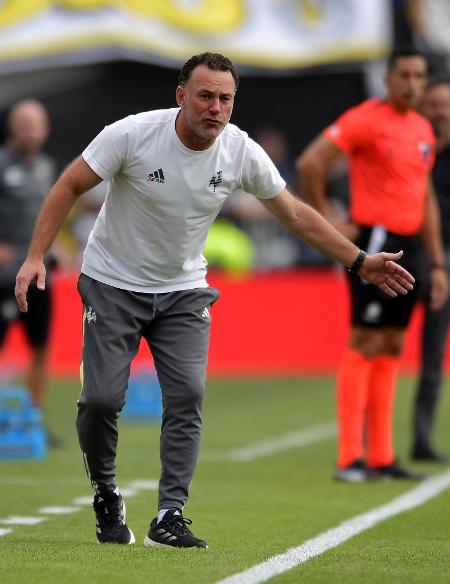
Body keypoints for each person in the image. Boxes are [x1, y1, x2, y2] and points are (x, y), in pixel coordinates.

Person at [15, 52, 414, 548]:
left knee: (187, 396)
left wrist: (358, 261)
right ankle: (105, 492)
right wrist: (36, 256)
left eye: (225, 98)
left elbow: (293, 213)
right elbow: (70, 184)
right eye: (205, 96)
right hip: (112, 283)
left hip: (183, 291)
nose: (216, 108)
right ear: (181, 96)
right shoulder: (134, 134)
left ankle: (169, 515)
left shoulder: (240, 151)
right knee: (100, 400)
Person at [296, 48, 448, 483]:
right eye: (405, 75)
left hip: (412, 244)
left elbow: (425, 198)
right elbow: (311, 162)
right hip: (377, 241)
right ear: (388, 78)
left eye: (419, 76)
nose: (413, 84)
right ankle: (349, 458)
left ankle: (381, 456)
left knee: (393, 345)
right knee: (365, 339)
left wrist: (436, 263)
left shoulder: (421, 128)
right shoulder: (365, 118)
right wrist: (328, 222)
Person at [0, 99, 61, 445]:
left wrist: (59, 245)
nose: (29, 131)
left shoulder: (45, 167)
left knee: (40, 346)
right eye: (23, 124)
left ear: (45, 129)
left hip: (37, 274)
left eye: (35, 125)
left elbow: (51, 212)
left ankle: (32, 421)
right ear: (12, 127)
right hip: (3, 277)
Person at [412, 75, 450, 462]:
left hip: (443, 264)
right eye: (433, 104)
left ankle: (421, 440)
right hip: (404, 257)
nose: (439, 111)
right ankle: (372, 446)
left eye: (445, 105)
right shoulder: (412, 150)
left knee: (433, 356)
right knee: (379, 346)